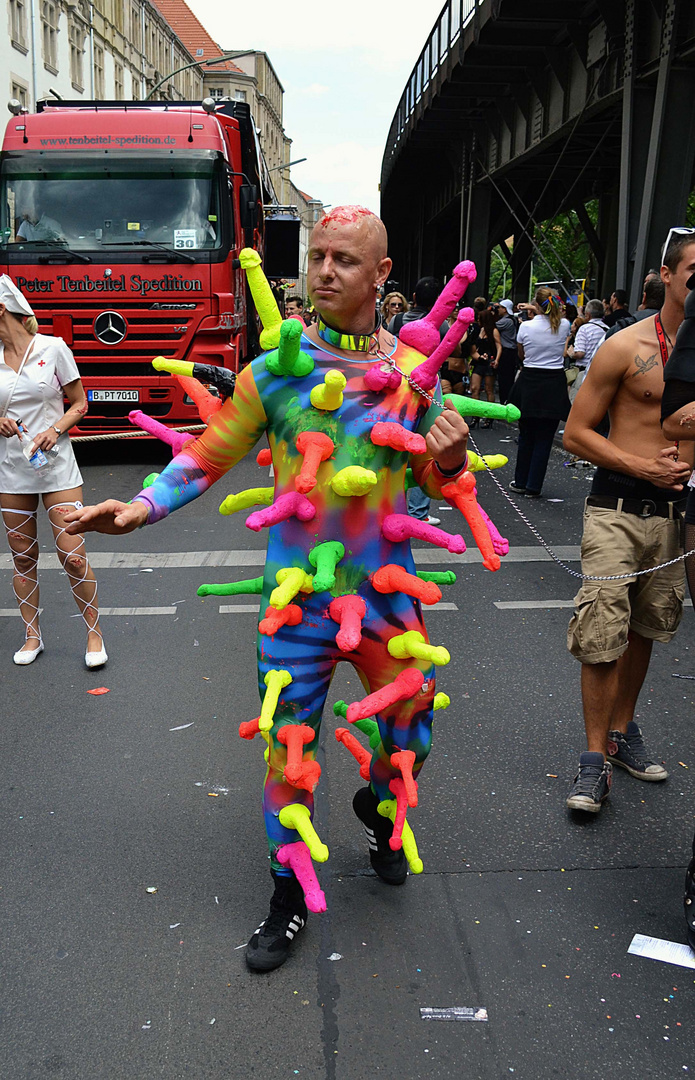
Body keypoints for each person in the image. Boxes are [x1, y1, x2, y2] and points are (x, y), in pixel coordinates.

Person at [64, 206, 470, 972]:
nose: (322, 271)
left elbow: (429, 477)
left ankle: (380, 811)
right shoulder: (273, 372)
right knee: (290, 759)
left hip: (389, 602)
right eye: (316, 256)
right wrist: (141, 506)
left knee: (411, 738)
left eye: (343, 259)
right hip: (296, 611)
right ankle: (287, 899)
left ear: (380, 275)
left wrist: (448, 461)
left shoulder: (414, 375)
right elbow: (205, 458)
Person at [562, 229, 695, 813]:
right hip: (615, 507)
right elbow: (576, 433)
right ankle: (593, 762)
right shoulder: (626, 345)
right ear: (666, 275)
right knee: (601, 632)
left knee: (646, 628)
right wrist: (642, 464)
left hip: (676, 515)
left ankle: (622, 732)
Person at [0, 275, 107, 668]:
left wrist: (54, 429)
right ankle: (33, 637)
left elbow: (80, 402)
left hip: (56, 465)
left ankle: (94, 635)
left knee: (72, 555)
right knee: (23, 557)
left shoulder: (52, 348)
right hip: (11, 469)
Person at [389, 276, 449, 526]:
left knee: (396, 447)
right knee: (425, 447)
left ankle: (393, 505)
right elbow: (451, 349)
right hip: (429, 387)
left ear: (413, 297)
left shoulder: (397, 320)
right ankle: (418, 511)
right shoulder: (443, 325)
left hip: (398, 390)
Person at [508, 288, 570, 498]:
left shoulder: (526, 326)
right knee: (545, 438)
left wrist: (532, 307)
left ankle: (521, 481)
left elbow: (521, 353)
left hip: (530, 382)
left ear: (536, 304)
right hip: (554, 383)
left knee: (526, 435)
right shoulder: (564, 325)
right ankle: (534, 486)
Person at [566, 299, 608, 400]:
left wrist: (571, 352)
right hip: (600, 373)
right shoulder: (607, 329)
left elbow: (580, 353)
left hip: (583, 373)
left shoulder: (584, 329)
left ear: (588, 315)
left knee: (576, 402)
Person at [604, 271, 665, 339]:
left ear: (644, 297)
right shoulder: (672, 332)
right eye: (645, 281)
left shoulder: (622, 327)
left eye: (649, 281)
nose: (645, 284)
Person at [468, 306, 501, 426]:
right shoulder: (478, 331)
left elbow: (499, 346)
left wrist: (497, 359)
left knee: (488, 389)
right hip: (479, 361)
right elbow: (473, 347)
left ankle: (489, 416)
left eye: (479, 319)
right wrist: (476, 357)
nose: (477, 321)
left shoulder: (493, 331)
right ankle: (475, 416)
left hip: (489, 361)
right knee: (475, 388)